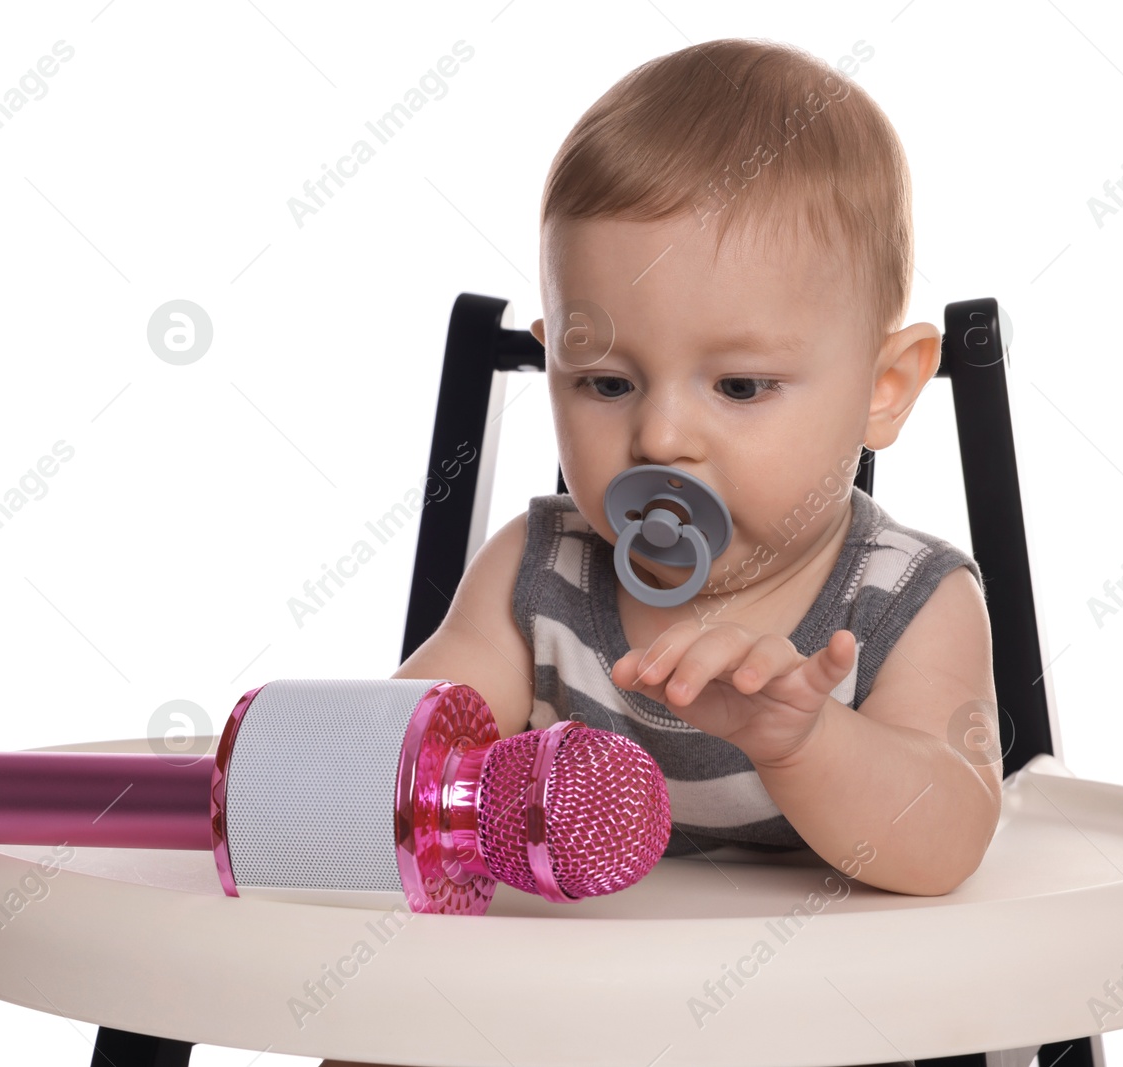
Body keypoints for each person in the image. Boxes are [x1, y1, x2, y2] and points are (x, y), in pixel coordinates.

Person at [321, 36, 1000, 1067]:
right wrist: (398, 763)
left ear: (884, 385)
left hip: (822, 1019)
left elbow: (946, 839)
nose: (659, 438)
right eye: (604, 383)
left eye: (737, 386)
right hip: (554, 1006)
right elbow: (395, 766)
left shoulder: (910, 595)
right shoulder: (538, 575)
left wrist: (805, 740)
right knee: (377, 1030)